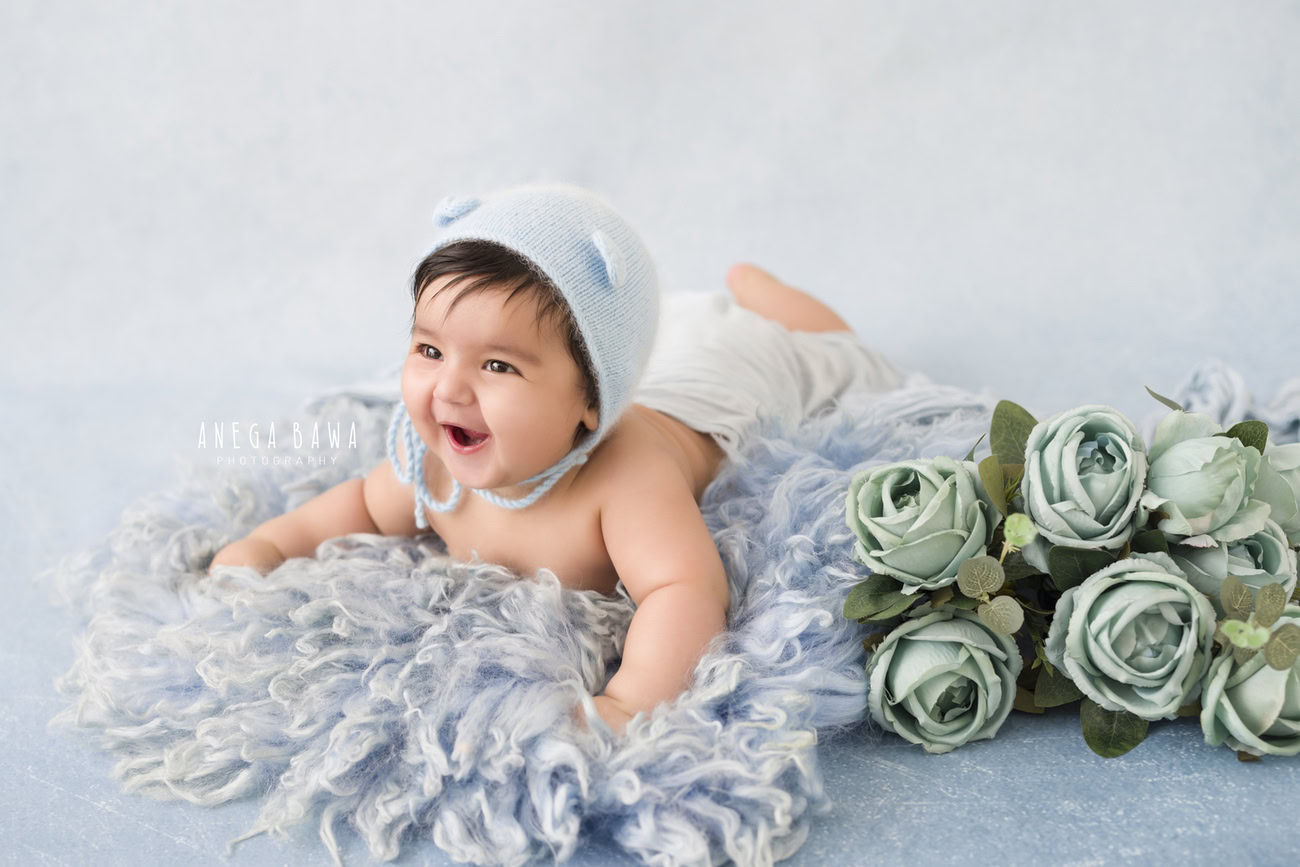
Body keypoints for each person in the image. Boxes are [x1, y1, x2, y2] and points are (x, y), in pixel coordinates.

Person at [209, 182, 902, 734]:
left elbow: (684, 590)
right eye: (429, 349)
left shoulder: (625, 478)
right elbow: (362, 503)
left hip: (722, 382)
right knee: (686, 324)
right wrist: (270, 543)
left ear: (590, 405)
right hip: (647, 356)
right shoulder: (437, 464)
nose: (449, 388)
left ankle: (772, 298)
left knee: (813, 352)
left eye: (499, 366)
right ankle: (704, 306)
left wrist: (629, 704)